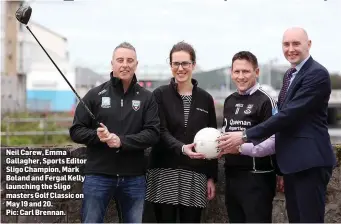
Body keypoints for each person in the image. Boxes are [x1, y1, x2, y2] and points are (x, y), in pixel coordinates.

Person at [218, 27, 337, 223]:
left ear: (309, 44)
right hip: (292, 163)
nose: (290, 49)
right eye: (286, 44)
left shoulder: (317, 74)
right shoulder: (290, 74)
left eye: (296, 43)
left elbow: (288, 115)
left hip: (309, 162)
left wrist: (244, 136)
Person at [69, 42, 160, 223]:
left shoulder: (147, 97)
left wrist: (122, 141)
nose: (125, 64)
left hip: (134, 178)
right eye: (120, 60)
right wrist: (97, 136)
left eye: (129, 60)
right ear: (112, 63)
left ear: (136, 64)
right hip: (98, 176)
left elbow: (153, 133)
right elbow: (76, 130)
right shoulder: (95, 95)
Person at [145, 41, 218, 223]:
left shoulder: (205, 99)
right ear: (170, 66)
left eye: (185, 63)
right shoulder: (159, 95)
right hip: (164, 172)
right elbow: (159, 131)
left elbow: (213, 139)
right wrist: (182, 148)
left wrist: (211, 177)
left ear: (193, 65)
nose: (180, 68)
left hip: (195, 174)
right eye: (176, 63)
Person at [218, 51, 279, 223]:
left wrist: (239, 148)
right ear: (231, 73)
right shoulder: (229, 101)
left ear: (256, 72)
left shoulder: (266, 101)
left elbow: (273, 143)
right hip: (232, 177)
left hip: (257, 178)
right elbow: (225, 133)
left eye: (246, 71)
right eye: (237, 72)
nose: (241, 76)